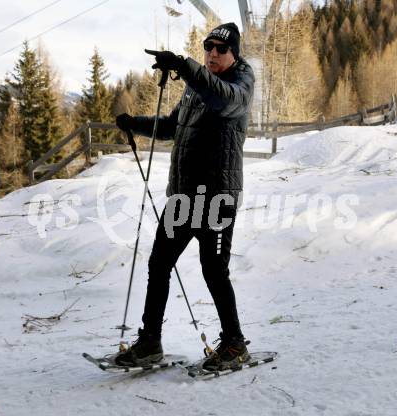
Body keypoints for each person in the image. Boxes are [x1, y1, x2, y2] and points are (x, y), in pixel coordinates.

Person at [115, 22, 255, 371]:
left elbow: (220, 98)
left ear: (234, 53)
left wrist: (183, 65)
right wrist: (135, 123)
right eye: (209, 47)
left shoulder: (240, 84)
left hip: (217, 197)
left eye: (221, 49)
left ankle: (235, 344)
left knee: (213, 270)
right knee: (158, 264)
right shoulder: (195, 88)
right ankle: (150, 342)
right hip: (184, 198)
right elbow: (170, 127)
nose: (213, 53)